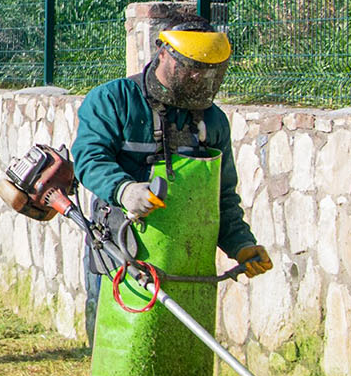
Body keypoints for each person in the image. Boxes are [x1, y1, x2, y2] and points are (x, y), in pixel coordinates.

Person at [71, 17, 272, 339]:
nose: (197, 76)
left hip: (188, 251)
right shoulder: (113, 99)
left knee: (181, 342)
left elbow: (221, 195)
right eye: (191, 67)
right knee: (119, 342)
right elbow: (89, 158)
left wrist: (241, 244)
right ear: (162, 52)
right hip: (121, 244)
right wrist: (124, 190)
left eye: (207, 71)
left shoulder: (212, 121)